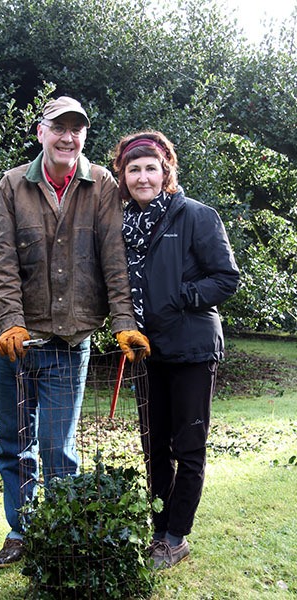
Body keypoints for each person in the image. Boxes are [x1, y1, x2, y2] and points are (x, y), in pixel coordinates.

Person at [0, 97, 150, 567]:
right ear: (41, 132)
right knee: (15, 444)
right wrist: (11, 322)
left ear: (84, 137)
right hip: (16, 345)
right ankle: (21, 531)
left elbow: (115, 261)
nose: (67, 137)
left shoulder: (102, 187)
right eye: (59, 127)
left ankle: (59, 534)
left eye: (77, 129)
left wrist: (123, 324)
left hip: (70, 342)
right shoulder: (13, 185)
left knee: (58, 447)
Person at [113, 131, 240, 569]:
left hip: (191, 350)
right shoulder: (122, 224)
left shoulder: (197, 216)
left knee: (188, 447)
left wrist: (177, 296)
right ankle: (158, 531)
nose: (143, 177)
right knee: (154, 447)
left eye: (151, 167)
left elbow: (226, 278)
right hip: (148, 352)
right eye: (134, 169)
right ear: (122, 175)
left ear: (166, 170)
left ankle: (176, 536)